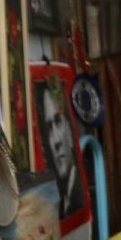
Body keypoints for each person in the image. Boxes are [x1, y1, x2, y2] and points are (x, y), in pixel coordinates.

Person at [37, 83, 83, 219]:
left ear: (69, 129)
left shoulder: (76, 196)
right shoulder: (61, 201)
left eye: (58, 122)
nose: (56, 140)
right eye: (49, 128)